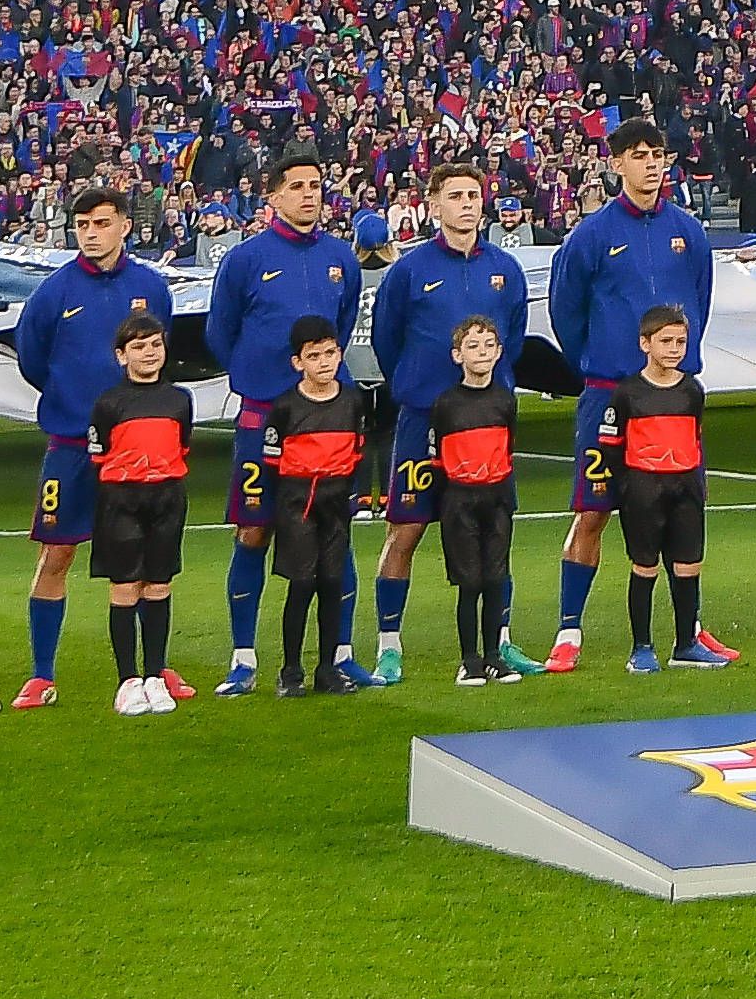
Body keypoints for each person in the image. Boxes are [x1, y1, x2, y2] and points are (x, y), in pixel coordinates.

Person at [548, 119, 718, 674]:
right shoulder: (591, 235)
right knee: (593, 511)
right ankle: (569, 628)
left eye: (658, 154)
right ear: (616, 163)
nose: (651, 164)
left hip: (672, 398)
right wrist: (601, 368)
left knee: (680, 512)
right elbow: (565, 312)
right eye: (639, 155)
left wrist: (675, 366)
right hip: (610, 392)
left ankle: (688, 630)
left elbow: (700, 301)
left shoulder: (688, 232)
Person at [10, 165, 179, 712]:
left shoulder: (150, 286)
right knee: (57, 551)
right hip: (72, 445)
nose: (90, 232)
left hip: (140, 448)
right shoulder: (54, 291)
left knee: (151, 561)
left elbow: (158, 348)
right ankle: (41, 673)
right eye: (82, 223)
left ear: (125, 226)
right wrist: (72, 401)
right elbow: (32, 359)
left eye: (102, 222)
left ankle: (151, 673)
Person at [205, 145, 366, 699]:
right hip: (262, 421)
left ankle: (339, 655)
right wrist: (261, 384)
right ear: (272, 195)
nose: (308, 194)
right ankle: (243, 657)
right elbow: (220, 334)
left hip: (326, 426)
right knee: (253, 532)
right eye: (296, 186)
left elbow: (339, 328)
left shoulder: (341, 258)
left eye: (316, 185)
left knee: (334, 536)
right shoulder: (245, 259)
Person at [364, 161, 530, 690]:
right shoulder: (409, 272)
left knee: (494, 536)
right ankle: (389, 646)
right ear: (434, 204)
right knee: (405, 530)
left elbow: (516, 338)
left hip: (484, 426)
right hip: (422, 421)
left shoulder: (505, 269)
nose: (466, 204)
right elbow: (387, 340)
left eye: (473, 195)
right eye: (454, 195)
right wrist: (417, 388)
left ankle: (499, 642)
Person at [588, 303, 726, 669]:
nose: (675, 348)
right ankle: (642, 648)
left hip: (686, 489)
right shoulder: (627, 393)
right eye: (666, 341)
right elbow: (610, 445)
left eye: (681, 341)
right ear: (645, 344)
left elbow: (694, 437)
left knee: (688, 566)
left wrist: (695, 482)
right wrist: (631, 485)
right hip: (644, 490)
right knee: (645, 566)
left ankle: (685, 645)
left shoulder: (692, 390)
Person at [88, 312, 199, 714]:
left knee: (158, 585)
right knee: (124, 587)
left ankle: (155, 676)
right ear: (121, 355)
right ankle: (127, 681)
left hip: (167, 499)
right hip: (121, 500)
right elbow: (99, 455)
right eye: (138, 346)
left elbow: (182, 445)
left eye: (155, 344)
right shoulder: (109, 403)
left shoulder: (179, 399)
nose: (148, 353)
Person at [257, 319, 369, 694]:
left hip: (335, 504)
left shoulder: (353, 401)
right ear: (297, 362)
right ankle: (290, 671)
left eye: (330, 353)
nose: (323, 362)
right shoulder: (285, 407)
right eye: (314, 356)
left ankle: (326, 668)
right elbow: (271, 464)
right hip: (297, 503)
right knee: (302, 583)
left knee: (333, 583)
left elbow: (357, 452)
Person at [421, 313, 526, 685]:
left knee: (496, 578)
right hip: (459, 501)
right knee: (470, 581)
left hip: (497, 500)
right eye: (472, 346)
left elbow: (507, 447)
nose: (481, 352)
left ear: (499, 352)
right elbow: (436, 458)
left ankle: (495, 655)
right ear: (457, 355)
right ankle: (470, 659)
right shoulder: (446, 404)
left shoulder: (505, 400)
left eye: (488, 346)